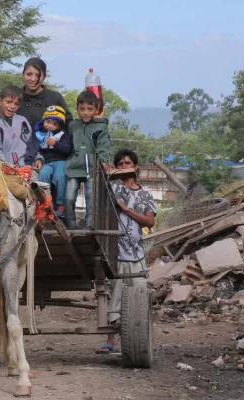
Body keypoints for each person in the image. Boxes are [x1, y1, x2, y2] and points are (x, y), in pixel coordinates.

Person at [97, 149, 156, 354]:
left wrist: (126, 210)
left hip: (137, 254)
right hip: (115, 253)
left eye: (127, 163)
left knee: (139, 297)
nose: (124, 167)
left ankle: (137, 343)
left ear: (136, 167)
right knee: (114, 296)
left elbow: (149, 221)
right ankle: (110, 341)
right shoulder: (112, 187)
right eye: (120, 164)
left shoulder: (145, 194)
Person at [65, 91, 111, 229]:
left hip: (92, 169)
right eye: (82, 109)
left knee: (91, 199)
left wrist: (103, 161)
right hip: (74, 168)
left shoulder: (101, 127)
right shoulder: (73, 126)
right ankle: (71, 226)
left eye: (90, 109)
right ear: (77, 110)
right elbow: (67, 144)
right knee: (69, 198)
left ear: (96, 110)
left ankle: (89, 226)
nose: (86, 113)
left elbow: (104, 146)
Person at [17, 57, 73, 171]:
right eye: (29, 74)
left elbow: (69, 123)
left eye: (38, 75)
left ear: (44, 76)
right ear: (23, 74)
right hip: (21, 156)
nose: (33, 79)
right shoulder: (16, 98)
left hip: (52, 157)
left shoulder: (55, 97)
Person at [0, 85, 37, 167]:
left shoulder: (22, 121)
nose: (12, 106)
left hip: (26, 167)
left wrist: (38, 158)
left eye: (16, 104)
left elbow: (32, 143)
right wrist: (4, 166)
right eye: (8, 102)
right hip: (4, 167)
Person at [35, 105, 71, 219]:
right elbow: (36, 149)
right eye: (48, 122)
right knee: (43, 175)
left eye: (54, 124)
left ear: (59, 126)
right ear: (43, 121)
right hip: (47, 162)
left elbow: (67, 149)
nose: (50, 126)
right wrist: (38, 159)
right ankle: (45, 202)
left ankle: (61, 205)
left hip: (60, 161)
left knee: (60, 177)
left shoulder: (63, 135)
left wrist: (55, 144)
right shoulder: (39, 135)